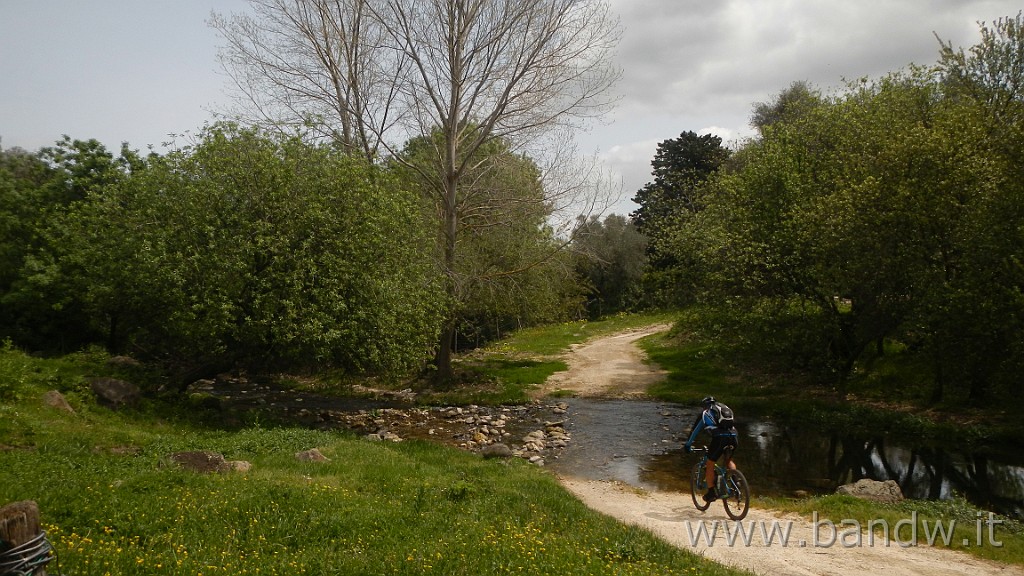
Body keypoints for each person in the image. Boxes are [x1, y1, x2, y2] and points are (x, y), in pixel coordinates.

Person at [684, 396, 738, 502]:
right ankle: (737, 483)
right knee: (728, 461)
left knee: (710, 464)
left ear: (704, 406)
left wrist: (688, 445)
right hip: (734, 436)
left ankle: (711, 493)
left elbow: (695, 431)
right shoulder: (724, 409)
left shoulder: (705, 413)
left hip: (720, 438)